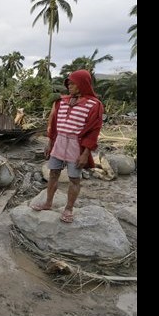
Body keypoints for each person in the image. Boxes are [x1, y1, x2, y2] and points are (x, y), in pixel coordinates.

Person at [31, 69, 103, 223]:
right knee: (53, 173)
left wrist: (85, 153)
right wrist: (50, 143)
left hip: (75, 145)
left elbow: (94, 131)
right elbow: (54, 125)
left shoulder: (93, 105)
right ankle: (48, 203)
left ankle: (69, 209)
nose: (69, 86)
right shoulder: (61, 102)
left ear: (82, 84)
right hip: (59, 142)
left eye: (72, 83)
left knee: (74, 179)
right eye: (68, 83)